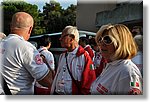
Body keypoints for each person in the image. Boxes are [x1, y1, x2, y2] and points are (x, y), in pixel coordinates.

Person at [0, 12, 52, 95]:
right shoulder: (26, 47)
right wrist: (46, 63)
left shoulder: (2, 43)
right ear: (30, 29)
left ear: (11, 26)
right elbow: (47, 81)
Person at [90, 24, 143, 95]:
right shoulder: (111, 64)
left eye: (107, 39)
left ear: (120, 43)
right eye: (100, 39)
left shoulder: (127, 72)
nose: (101, 43)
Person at [51, 26, 96, 95]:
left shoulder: (84, 57)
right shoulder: (62, 56)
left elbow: (88, 82)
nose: (60, 39)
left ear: (72, 38)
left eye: (63, 37)